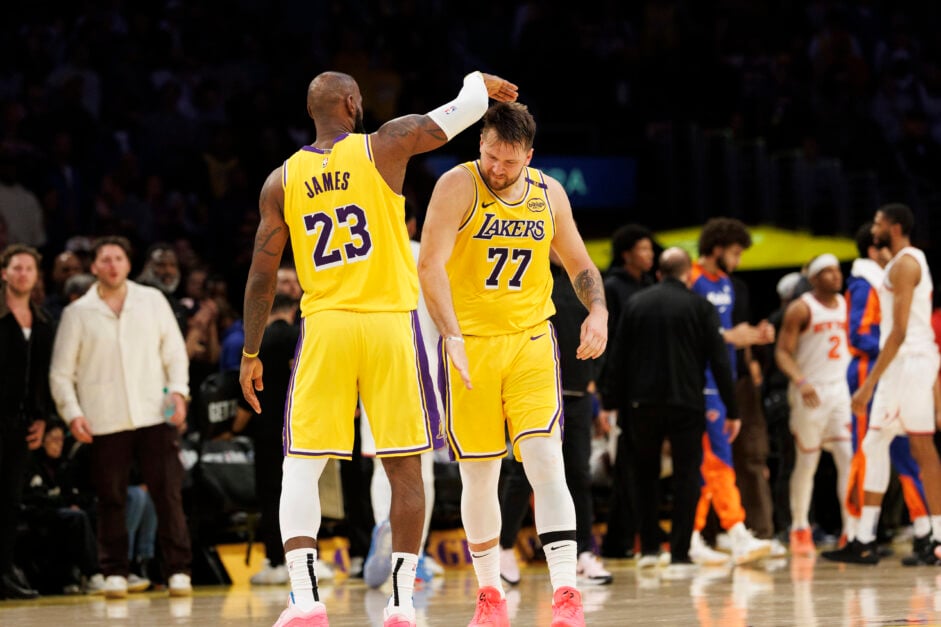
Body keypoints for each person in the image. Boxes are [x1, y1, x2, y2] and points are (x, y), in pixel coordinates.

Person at [238, 69, 518, 627]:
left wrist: (250, 353)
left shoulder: (280, 180)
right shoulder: (383, 145)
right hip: (390, 326)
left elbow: (262, 276)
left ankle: (305, 601)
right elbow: (454, 118)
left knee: (300, 466)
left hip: (326, 327)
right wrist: (474, 83)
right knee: (405, 470)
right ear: (351, 103)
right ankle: (400, 603)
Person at [418, 101, 606, 627]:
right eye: (490, 156)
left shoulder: (549, 194)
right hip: (470, 345)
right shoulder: (457, 185)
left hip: (530, 341)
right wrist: (450, 333)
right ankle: (490, 596)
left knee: (546, 461)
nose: (497, 169)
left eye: (508, 161)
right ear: (480, 144)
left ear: (529, 155)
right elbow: (429, 265)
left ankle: (566, 594)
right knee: (480, 475)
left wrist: (598, 311)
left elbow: (580, 263)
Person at [49, 235, 193, 599]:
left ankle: (178, 569)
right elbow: (61, 374)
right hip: (104, 418)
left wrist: (179, 391)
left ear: (128, 264)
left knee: (167, 495)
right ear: (94, 266)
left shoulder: (152, 300)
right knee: (111, 498)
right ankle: (114, 570)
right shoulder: (78, 313)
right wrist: (73, 414)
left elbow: (175, 352)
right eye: (105, 259)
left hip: (154, 413)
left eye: (118, 258)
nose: (112, 265)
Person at [603, 247, 739, 577]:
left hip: (642, 404)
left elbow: (617, 357)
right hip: (687, 403)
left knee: (644, 475)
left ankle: (649, 549)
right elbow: (720, 361)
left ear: (659, 274)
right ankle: (680, 554)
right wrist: (732, 409)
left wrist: (609, 403)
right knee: (686, 477)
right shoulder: (700, 306)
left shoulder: (636, 304)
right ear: (688, 275)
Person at [823, 204, 941, 565]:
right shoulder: (899, 263)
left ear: (895, 227)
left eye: (878, 223)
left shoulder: (906, 264)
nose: (873, 228)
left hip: (908, 363)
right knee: (874, 444)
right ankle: (863, 538)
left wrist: (868, 384)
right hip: (902, 365)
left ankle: (937, 536)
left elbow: (900, 331)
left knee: (921, 448)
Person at [498, 249, 612, 587]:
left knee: (579, 474)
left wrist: (594, 379)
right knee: (522, 473)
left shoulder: (586, 283)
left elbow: (604, 334)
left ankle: (583, 553)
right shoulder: (529, 274)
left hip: (577, 394)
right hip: (533, 389)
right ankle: (504, 547)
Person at [687, 217, 775, 566]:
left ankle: (696, 536)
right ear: (718, 248)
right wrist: (727, 337)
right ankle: (732, 531)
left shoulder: (725, 283)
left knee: (714, 460)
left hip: (722, 380)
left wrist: (753, 335)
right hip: (697, 381)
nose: (738, 261)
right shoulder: (690, 279)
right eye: (735, 253)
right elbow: (687, 332)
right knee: (714, 459)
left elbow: (726, 334)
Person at [773, 253, 854, 556]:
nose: (836, 275)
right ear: (815, 278)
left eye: (837, 270)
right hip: (810, 391)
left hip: (840, 391)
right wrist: (800, 380)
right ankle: (799, 526)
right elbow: (782, 352)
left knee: (848, 458)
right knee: (808, 461)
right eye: (828, 271)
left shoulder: (846, 304)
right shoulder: (801, 307)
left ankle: (851, 530)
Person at [232, 294, 299, 586]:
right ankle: (308, 560)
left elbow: (246, 398)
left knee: (272, 496)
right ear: (293, 310)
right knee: (303, 493)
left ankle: (275, 560)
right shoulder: (302, 338)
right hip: (300, 430)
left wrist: (233, 430)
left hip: (268, 431)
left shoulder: (256, 347)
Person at [598, 223, 654, 559]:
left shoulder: (650, 285)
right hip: (623, 389)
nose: (649, 255)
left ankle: (632, 537)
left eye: (650, 249)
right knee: (626, 466)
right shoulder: (612, 287)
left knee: (641, 466)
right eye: (642, 249)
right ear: (626, 254)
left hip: (649, 385)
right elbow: (610, 345)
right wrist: (607, 395)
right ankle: (617, 540)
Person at [0, 244, 52, 600]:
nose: (22, 274)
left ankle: (4, 571)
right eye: (16, 268)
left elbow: (44, 378)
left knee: (10, 500)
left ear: (36, 276)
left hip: (22, 424)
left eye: (28, 269)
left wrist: (44, 419)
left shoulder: (44, 321)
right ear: (4, 273)